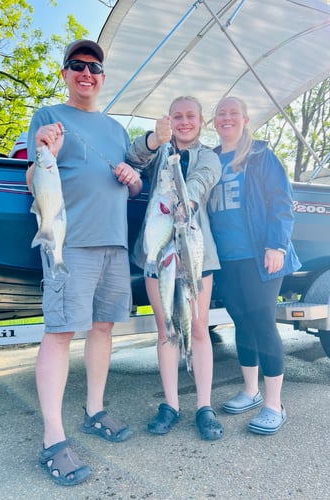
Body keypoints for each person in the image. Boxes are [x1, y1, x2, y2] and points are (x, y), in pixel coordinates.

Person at [26, 39, 142, 486]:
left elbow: (130, 186)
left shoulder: (116, 130)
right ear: (65, 74)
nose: (86, 73)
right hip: (67, 243)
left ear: (102, 77)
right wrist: (44, 153)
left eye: (93, 66)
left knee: (103, 329)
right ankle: (52, 438)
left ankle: (94, 410)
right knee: (58, 334)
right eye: (77, 65)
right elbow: (32, 179)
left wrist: (133, 180)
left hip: (113, 244)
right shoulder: (48, 117)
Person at [127, 96, 224, 440]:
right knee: (167, 328)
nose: (184, 122)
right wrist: (155, 138)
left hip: (197, 254)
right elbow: (132, 157)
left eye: (190, 116)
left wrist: (188, 203)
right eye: (178, 116)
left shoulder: (210, 156)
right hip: (157, 255)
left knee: (198, 329)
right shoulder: (160, 151)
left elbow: (200, 182)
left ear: (201, 121)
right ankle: (170, 404)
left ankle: (204, 405)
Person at [207, 96, 301, 435]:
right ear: (214, 122)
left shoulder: (261, 156)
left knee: (262, 324)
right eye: (221, 113)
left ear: (245, 120)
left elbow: (282, 201)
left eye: (234, 112)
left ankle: (274, 404)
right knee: (241, 324)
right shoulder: (211, 160)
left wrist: (277, 244)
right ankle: (250, 390)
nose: (227, 118)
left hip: (262, 257)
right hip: (226, 261)